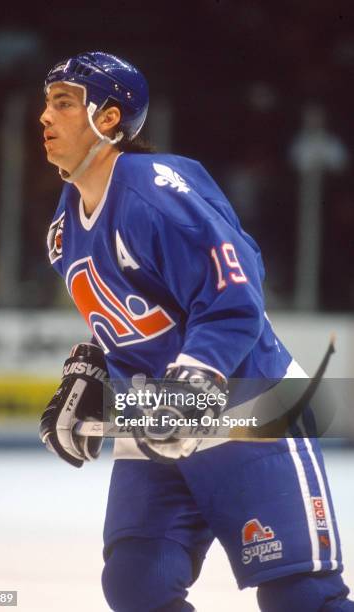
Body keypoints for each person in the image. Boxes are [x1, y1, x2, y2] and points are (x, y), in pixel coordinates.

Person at [38, 52, 353, 611]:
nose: (45, 116)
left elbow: (235, 296)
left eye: (63, 102)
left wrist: (196, 375)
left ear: (108, 117)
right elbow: (136, 322)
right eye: (46, 102)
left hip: (246, 402)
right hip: (162, 412)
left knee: (300, 597)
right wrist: (97, 366)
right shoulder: (64, 230)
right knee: (138, 585)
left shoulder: (153, 189)